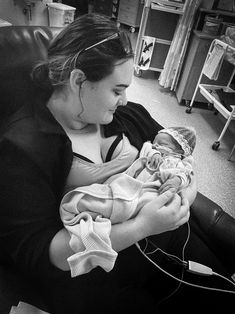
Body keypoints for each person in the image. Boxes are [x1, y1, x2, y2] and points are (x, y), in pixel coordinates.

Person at [0, 13, 233, 314]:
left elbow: (180, 157)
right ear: (78, 80)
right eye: (117, 89)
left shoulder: (126, 115)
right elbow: (48, 252)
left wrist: (182, 195)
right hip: (103, 274)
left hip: (170, 239)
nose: (124, 100)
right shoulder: (22, 149)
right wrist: (142, 226)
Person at [60, 126, 197, 278]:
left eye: (163, 144)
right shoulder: (152, 149)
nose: (156, 144)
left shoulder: (180, 163)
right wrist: (155, 152)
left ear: (179, 152)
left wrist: (177, 182)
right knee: (110, 202)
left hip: (161, 200)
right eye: (155, 142)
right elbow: (147, 147)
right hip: (133, 193)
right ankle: (89, 217)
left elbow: (187, 176)